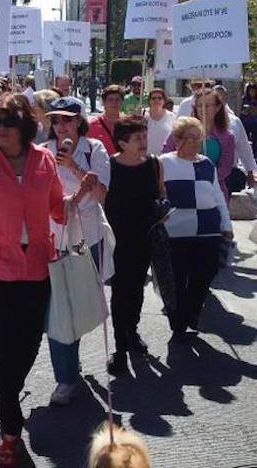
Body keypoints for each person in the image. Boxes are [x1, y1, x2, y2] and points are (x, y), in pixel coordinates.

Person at [0, 93, 89, 468]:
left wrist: (79, 195)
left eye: (7, 123)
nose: (0, 129)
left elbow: (57, 206)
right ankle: (9, 431)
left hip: (38, 265)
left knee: (27, 346)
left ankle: (10, 395)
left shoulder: (43, 161)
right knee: (4, 352)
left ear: (23, 126)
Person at [45, 96, 111, 406]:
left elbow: (100, 194)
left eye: (67, 119)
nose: (61, 126)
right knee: (59, 311)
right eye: (55, 120)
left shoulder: (94, 150)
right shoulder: (43, 152)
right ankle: (66, 377)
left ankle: (71, 361)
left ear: (79, 120)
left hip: (88, 238)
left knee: (80, 307)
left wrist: (74, 164)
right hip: (53, 238)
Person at [159, 117, 232, 341]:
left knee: (205, 273)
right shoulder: (162, 163)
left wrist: (225, 224)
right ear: (177, 139)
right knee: (177, 279)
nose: (193, 142)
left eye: (197, 138)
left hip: (207, 229)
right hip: (175, 231)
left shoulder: (207, 164)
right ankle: (178, 319)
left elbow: (218, 195)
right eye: (187, 137)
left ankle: (193, 309)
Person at [104, 116, 158, 376]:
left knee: (137, 290)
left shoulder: (154, 165)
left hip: (144, 237)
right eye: (138, 138)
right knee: (120, 292)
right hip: (117, 239)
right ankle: (120, 347)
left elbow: (160, 195)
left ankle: (132, 330)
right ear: (123, 143)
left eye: (144, 136)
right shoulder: (110, 166)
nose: (144, 142)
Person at [163, 88, 235, 203]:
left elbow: (226, 167)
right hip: (181, 187)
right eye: (199, 105)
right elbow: (166, 153)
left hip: (213, 192)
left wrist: (204, 178)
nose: (203, 109)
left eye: (208, 105)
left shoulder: (227, 136)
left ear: (218, 107)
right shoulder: (179, 130)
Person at [214, 84, 257, 188]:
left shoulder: (234, 122)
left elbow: (244, 148)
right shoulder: (202, 119)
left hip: (229, 172)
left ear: (225, 99)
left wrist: (250, 172)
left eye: (222, 98)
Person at [88, 85, 125, 155]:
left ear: (122, 102)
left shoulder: (128, 123)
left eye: (117, 99)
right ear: (104, 102)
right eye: (110, 100)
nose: (114, 103)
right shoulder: (92, 125)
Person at [143, 87, 175, 155]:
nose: (156, 100)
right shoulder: (141, 114)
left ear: (164, 101)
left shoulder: (172, 116)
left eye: (160, 98)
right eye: (153, 98)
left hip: (165, 157)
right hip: (145, 156)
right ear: (149, 100)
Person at [239, 81, 257, 160]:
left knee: (255, 141)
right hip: (245, 122)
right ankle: (245, 156)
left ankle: (255, 156)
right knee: (244, 141)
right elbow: (240, 110)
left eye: (254, 91)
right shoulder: (244, 99)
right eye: (251, 91)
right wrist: (245, 111)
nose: (252, 92)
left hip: (255, 123)